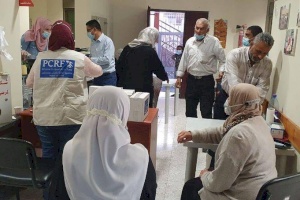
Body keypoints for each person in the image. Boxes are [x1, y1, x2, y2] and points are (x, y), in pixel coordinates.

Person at [177, 83, 277, 200]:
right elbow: (222, 132)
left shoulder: (239, 135)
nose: (228, 101)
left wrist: (205, 175)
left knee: (191, 187)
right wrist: (193, 135)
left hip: (240, 194)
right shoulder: (258, 122)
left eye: (231, 97)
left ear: (242, 102)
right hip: (260, 191)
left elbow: (218, 184)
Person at [26, 20, 103, 161]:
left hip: (45, 118)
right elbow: (98, 71)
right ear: (69, 38)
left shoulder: (41, 57)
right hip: (71, 117)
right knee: (69, 157)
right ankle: (67, 182)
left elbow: (29, 83)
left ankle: (51, 182)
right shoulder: (79, 58)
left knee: (49, 155)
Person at [63, 86, 157, 200]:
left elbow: (55, 193)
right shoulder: (140, 158)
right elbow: (149, 194)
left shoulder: (69, 152)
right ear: (123, 113)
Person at [214, 32, 274, 120]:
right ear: (251, 43)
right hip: (227, 98)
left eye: (265, 53)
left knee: (242, 133)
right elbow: (234, 86)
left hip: (250, 105)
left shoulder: (267, 64)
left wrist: (250, 106)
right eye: (258, 51)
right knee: (220, 131)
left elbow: (262, 89)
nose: (260, 56)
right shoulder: (235, 55)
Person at [175, 18, 226, 118]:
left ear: (207, 30)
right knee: (189, 111)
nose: (198, 31)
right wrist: (179, 77)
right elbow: (184, 60)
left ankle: (204, 134)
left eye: (201, 29)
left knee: (206, 111)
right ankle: (191, 133)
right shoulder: (190, 42)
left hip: (206, 82)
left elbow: (223, 60)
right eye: (197, 28)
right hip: (191, 81)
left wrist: (221, 71)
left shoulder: (213, 42)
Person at [116, 27, 169, 108]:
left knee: (126, 111)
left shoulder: (128, 48)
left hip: (126, 87)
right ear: (152, 37)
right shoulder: (150, 51)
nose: (156, 41)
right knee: (143, 113)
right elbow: (158, 69)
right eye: (156, 38)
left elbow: (119, 67)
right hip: (143, 88)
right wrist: (165, 77)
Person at [86, 19, 116, 86]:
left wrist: (91, 60)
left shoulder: (107, 41)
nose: (87, 33)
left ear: (94, 29)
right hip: (96, 76)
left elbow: (107, 60)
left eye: (88, 30)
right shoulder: (93, 43)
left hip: (107, 76)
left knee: (108, 96)